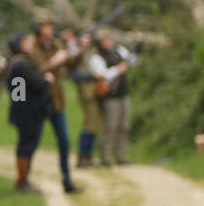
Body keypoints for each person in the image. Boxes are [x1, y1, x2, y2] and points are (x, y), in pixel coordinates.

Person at [29, 20, 88, 193]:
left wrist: (79, 49)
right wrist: (56, 60)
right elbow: (35, 71)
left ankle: (67, 181)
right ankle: (25, 181)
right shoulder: (32, 49)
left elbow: (71, 65)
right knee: (32, 142)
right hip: (38, 102)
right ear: (39, 31)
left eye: (50, 28)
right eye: (46, 28)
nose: (50, 31)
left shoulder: (55, 44)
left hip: (57, 101)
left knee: (64, 141)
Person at [5, 32, 53, 193]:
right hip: (28, 113)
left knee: (26, 147)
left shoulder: (17, 63)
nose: (30, 44)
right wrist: (46, 79)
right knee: (26, 148)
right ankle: (22, 182)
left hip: (25, 111)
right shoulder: (21, 65)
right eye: (26, 42)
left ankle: (23, 181)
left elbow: (18, 93)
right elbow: (37, 83)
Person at [89, 30, 138, 166]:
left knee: (124, 126)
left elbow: (132, 61)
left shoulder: (119, 50)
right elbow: (102, 75)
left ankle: (121, 156)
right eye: (105, 40)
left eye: (109, 39)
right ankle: (104, 157)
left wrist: (136, 51)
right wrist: (118, 70)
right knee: (110, 126)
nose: (108, 42)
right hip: (110, 96)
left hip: (123, 93)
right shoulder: (97, 56)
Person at [69, 29, 103, 169]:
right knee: (89, 126)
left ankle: (87, 156)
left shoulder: (90, 53)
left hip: (93, 92)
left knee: (93, 126)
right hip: (86, 93)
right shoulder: (76, 54)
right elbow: (74, 74)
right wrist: (92, 77)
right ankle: (82, 156)